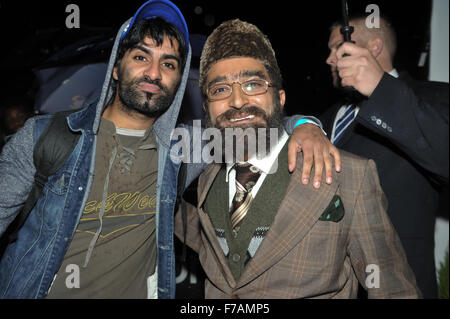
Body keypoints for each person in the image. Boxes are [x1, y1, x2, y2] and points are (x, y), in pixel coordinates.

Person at [0, 0, 339, 298]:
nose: (153, 72)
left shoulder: (185, 148)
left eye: (169, 64)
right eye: (140, 56)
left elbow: (256, 126)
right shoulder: (45, 136)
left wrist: (306, 126)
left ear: (178, 82)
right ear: (117, 69)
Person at [174, 19, 420, 299]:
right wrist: (161, 209)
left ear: (279, 99)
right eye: (220, 90)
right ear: (206, 108)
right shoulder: (206, 178)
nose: (238, 101)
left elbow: (392, 288)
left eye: (253, 84)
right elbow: (216, 246)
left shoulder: (350, 177)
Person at [321, 14, 449, 298]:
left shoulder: (432, 97)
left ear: (374, 48)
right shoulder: (325, 119)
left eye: (337, 49)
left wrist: (381, 90)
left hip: (397, 284)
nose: (330, 59)